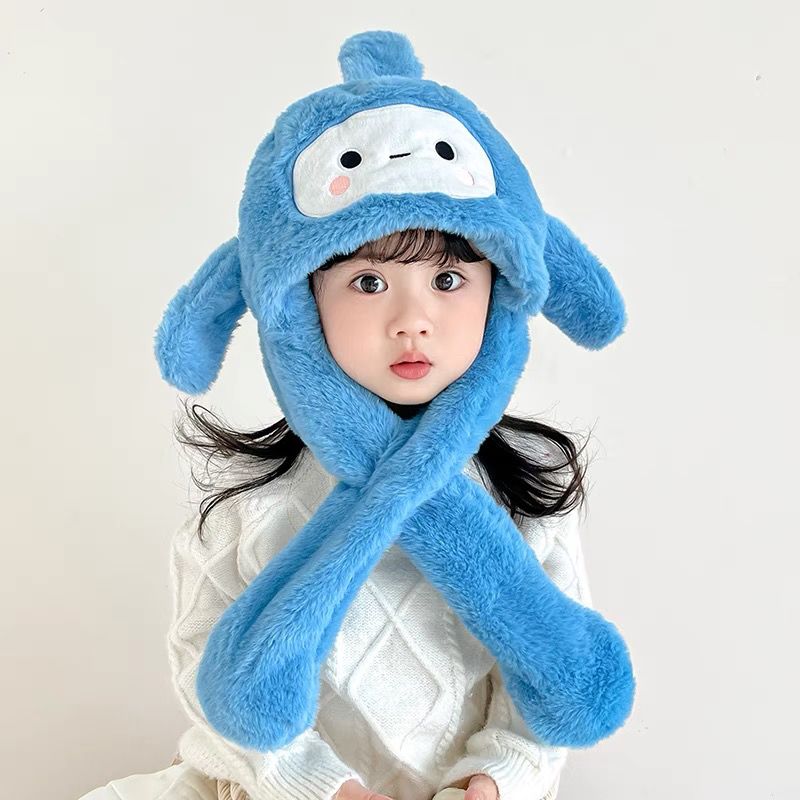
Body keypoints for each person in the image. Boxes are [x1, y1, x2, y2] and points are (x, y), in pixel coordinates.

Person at [78, 27, 634, 800]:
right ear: (301, 301)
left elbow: (541, 687)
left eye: (448, 280)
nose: (412, 321)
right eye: (369, 283)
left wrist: (495, 779)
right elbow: (205, 662)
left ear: (500, 291)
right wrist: (315, 783)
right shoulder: (249, 497)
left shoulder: (527, 489)